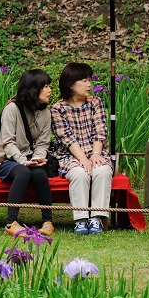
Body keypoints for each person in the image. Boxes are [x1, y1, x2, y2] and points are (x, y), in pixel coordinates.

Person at [0, 69, 54, 236]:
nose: (50, 90)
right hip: (2, 159)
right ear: (33, 89)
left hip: (27, 157)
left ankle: (48, 222)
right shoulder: (12, 109)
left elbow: (43, 143)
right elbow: (7, 142)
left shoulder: (46, 112)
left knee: (39, 173)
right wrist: (23, 161)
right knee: (23, 172)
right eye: (45, 86)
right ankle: (11, 223)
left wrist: (38, 158)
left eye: (49, 86)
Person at [47, 62, 112, 235]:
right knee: (79, 173)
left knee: (102, 170)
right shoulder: (58, 109)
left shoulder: (95, 102)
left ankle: (97, 218)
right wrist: (83, 159)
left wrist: (95, 154)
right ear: (70, 85)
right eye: (84, 80)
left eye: (89, 80)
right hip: (70, 156)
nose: (89, 84)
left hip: (97, 152)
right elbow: (66, 138)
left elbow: (100, 130)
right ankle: (81, 220)